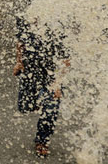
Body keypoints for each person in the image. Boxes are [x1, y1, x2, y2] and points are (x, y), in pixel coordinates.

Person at [13, 15, 70, 158]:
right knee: (25, 106)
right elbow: (20, 42)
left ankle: (42, 141)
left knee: (50, 110)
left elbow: (65, 60)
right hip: (30, 71)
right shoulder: (24, 19)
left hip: (51, 75)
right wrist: (19, 62)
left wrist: (57, 84)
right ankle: (38, 102)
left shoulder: (58, 26)